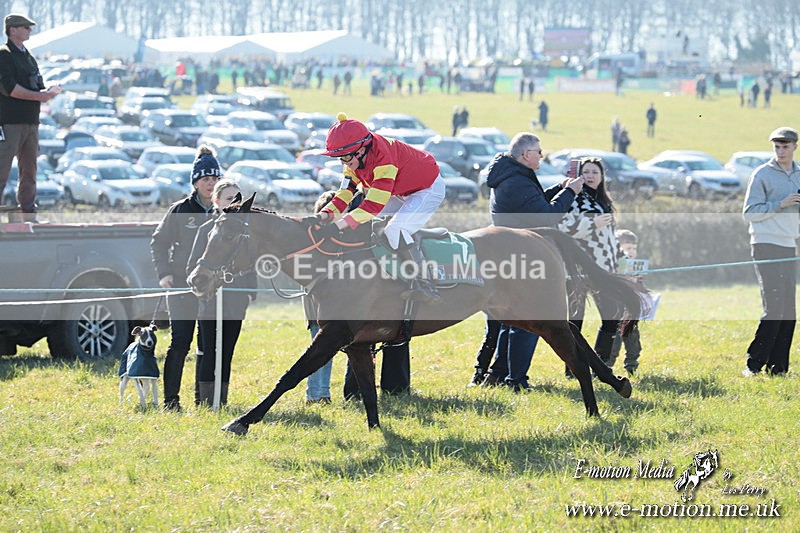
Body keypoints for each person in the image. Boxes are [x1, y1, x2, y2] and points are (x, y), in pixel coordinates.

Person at [475, 132, 583, 391]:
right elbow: (546, 217)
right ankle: (516, 380)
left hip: (511, 253)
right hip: (521, 257)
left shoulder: (511, 175)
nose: (542, 155)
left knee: (511, 320)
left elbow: (533, 203)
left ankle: (499, 374)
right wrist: (569, 193)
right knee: (528, 320)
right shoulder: (516, 180)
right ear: (526, 155)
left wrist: (559, 188)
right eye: (538, 151)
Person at [309, 112, 446, 304]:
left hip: (427, 188)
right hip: (402, 189)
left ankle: (426, 284)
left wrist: (337, 226)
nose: (343, 162)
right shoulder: (353, 161)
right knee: (372, 226)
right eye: (339, 158)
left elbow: (371, 207)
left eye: (345, 157)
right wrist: (324, 216)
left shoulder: (384, 160)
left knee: (395, 229)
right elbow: (345, 194)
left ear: (361, 149)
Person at [151, 145, 220, 411]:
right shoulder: (180, 210)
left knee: (208, 344)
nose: (211, 184)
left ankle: (203, 401)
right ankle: (171, 401)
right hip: (182, 285)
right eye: (206, 179)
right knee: (180, 342)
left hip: (212, 287)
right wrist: (164, 273)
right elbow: (159, 242)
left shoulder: (222, 212)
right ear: (196, 181)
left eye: (215, 179)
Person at [188, 179, 255, 406]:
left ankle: (221, 400)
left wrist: (248, 293)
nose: (234, 202)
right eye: (228, 198)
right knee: (208, 351)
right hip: (209, 302)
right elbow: (193, 266)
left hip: (235, 303)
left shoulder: (244, 233)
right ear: (216, 201)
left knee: (226, 353)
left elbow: (250, 266)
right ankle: (205, 403)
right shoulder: (206, 230)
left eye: (237, 198)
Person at [558, 157, 625, 377]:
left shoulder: (604, 200)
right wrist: (591, 223)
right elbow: (564, 227)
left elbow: (609, 238)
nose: (590, 176)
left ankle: (601, 366)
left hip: (604, 270)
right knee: (575, 320)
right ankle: (572, 369)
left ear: (602, 175)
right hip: (578, 269)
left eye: (594, 172)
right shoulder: (575, 197)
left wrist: (620, 259)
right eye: (586, 172)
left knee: (611, 316)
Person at [742, 126, 800, 377]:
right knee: (774, 307)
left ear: (795, 146)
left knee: (789, 310)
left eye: (785, 146)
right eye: (777, 146)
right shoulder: (762, 174)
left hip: (790, 245)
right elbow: (750, 213)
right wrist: (781, 204)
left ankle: (778, 368)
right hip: (765, 244)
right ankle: (753, 364)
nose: (781, 151)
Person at [0, 14, 63, 222]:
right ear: (12, 30)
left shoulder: (28, 56)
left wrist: (49, 91)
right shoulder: (4, 54)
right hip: (10, 122)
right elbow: (10, 89)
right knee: (2, 168)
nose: (30, 30)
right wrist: (42, 96)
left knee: (30, 171)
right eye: (25, 27)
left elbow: (35, 85)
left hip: (30, 121)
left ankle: (28, 215)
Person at [303, 190, 337, 404]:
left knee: (326, 352)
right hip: (317, 306)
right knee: (319, 352)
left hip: (335, 306)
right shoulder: (312, 241)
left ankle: (321, 393)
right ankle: (315, 394)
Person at [608, 229, 644, 376]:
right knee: (614, 335)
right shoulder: (612, 263)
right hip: (616, 306)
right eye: (628, 248)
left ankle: (631, 363)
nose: (632, 251)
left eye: (634, 248)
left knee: (632, 333)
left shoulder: (635, 265)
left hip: (631, 307)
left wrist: (638, 279)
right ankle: (606, 363)